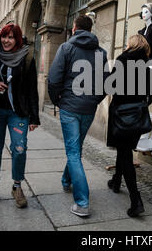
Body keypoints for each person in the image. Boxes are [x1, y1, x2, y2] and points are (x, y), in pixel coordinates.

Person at [48, 15, 108, 217]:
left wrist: (57, 100)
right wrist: (93, 100)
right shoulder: (101, 52)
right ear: (90, 29)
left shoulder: (66, 48)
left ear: (74, 28)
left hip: (70, 107)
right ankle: (67, 181)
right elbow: (105, 84)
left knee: (73, 152)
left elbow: (54, 79)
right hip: (88, 109)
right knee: (76, 148)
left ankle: (82, 203)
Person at [0, 23, 40, 209]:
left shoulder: (26, 58)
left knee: (19, 148)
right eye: (4, 36)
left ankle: (17, 186)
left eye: (11, 37)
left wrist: (34, 117)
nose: (6, 41)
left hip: (19, 112)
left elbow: (33, 88)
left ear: (17, 39)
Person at [106, 34, 152, 217]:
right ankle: (116, 181)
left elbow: (111, 86)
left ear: (131, 45)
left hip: (120, 114)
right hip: (137, 116)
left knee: (125, 155)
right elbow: (150, 97)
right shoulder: (147, 64)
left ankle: (136, 201)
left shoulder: (122, 60)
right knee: (124, 150)